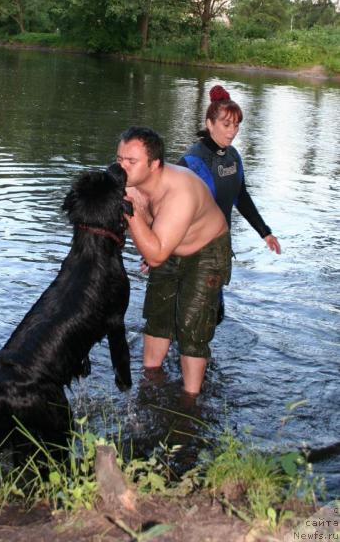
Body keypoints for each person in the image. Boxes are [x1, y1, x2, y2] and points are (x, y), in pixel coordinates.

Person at [117, 126, 232, 396]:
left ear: (154, 164)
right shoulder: (132, 183)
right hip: (168, 245)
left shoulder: (179, 192)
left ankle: (191, 401)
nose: (122, 166)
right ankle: (149, 380)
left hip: (207, 251)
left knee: (192, 328)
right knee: (158, 317)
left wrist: (129, 211)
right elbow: (152, 243)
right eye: (120, 158)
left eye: (131, 161)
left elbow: (155, 254)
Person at [178, 85, 281, 322]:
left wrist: (265, 232)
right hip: (193, 251)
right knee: (193, 317)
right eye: (226, 125)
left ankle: (195, 358)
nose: (233, 131)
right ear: (210, 123)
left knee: (215, 315)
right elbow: (168, 206)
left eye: (236, 125)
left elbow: (240, 196)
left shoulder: (233, 156)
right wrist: (155, 252)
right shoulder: (192, 162)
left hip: (220, 247)